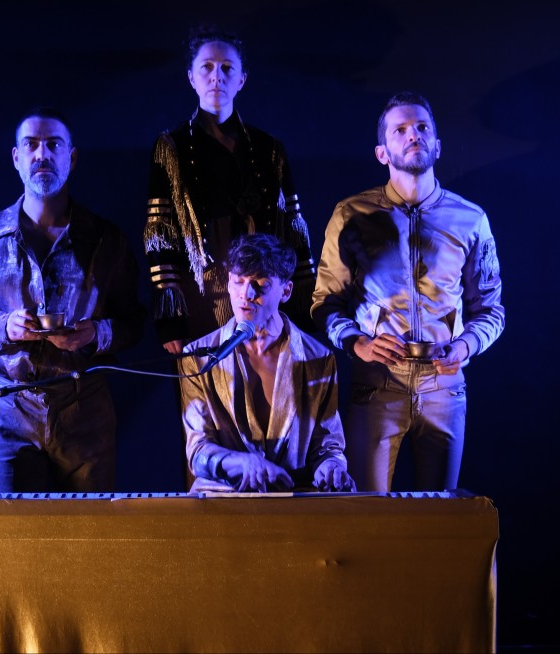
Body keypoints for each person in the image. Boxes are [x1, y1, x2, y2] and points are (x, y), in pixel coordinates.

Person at [0, 106, 145, 494]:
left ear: (72, 157)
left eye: (54, 145)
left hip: (85, 408)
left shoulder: (106, 240)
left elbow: (134, 321)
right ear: (16, 157)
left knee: (90, 525)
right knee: (18, 527)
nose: (42, 154)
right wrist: (5, 326)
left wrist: (95, 333)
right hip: (10, 408)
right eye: (31, 145)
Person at [311, 91, 505, 493]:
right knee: (369, 512)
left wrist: (465, 346)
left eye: (421, 127)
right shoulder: (351, 214)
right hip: (378, 383)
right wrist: (358, 343)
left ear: (438, 145)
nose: (413, 135)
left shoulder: (470, 219)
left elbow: (491, 310)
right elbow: (324, 303)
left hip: (444, 388)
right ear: (382, 153)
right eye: (399, 130)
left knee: (438, 515)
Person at [143, 25, 317, 355]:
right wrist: (170, 316)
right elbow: (159, 233)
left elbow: (294, 227)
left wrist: (305, 300)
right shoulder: (171, 148)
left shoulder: (269, 148)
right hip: (202, 297)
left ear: (242, 79)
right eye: (206, 67)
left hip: (264, 294)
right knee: (210, 380)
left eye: (227, 68)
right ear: (191, 77)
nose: (216, 77)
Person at [179, 233, 355, 493]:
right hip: (222, 499)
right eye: (238, 282)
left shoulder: (318, 357)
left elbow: (327, 447)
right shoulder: (197, 357)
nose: (246, 294)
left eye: (260, 285)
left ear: (286, 291)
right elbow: (198, 453)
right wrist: (242, 463)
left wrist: (332, 467)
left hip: (293, 500)